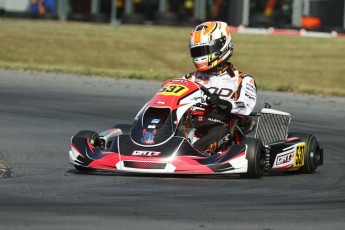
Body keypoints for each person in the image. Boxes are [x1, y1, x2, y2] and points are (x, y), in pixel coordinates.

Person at [183, 21, 257, 154]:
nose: (200, 55)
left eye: (203, 50)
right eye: (197, 51)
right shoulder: (188, 78)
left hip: (219, 126)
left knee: (221, 131)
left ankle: (191, 154)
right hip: (189, 124)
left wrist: (222, 103)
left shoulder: (242, 79)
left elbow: (245, 106)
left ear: (220, 47)